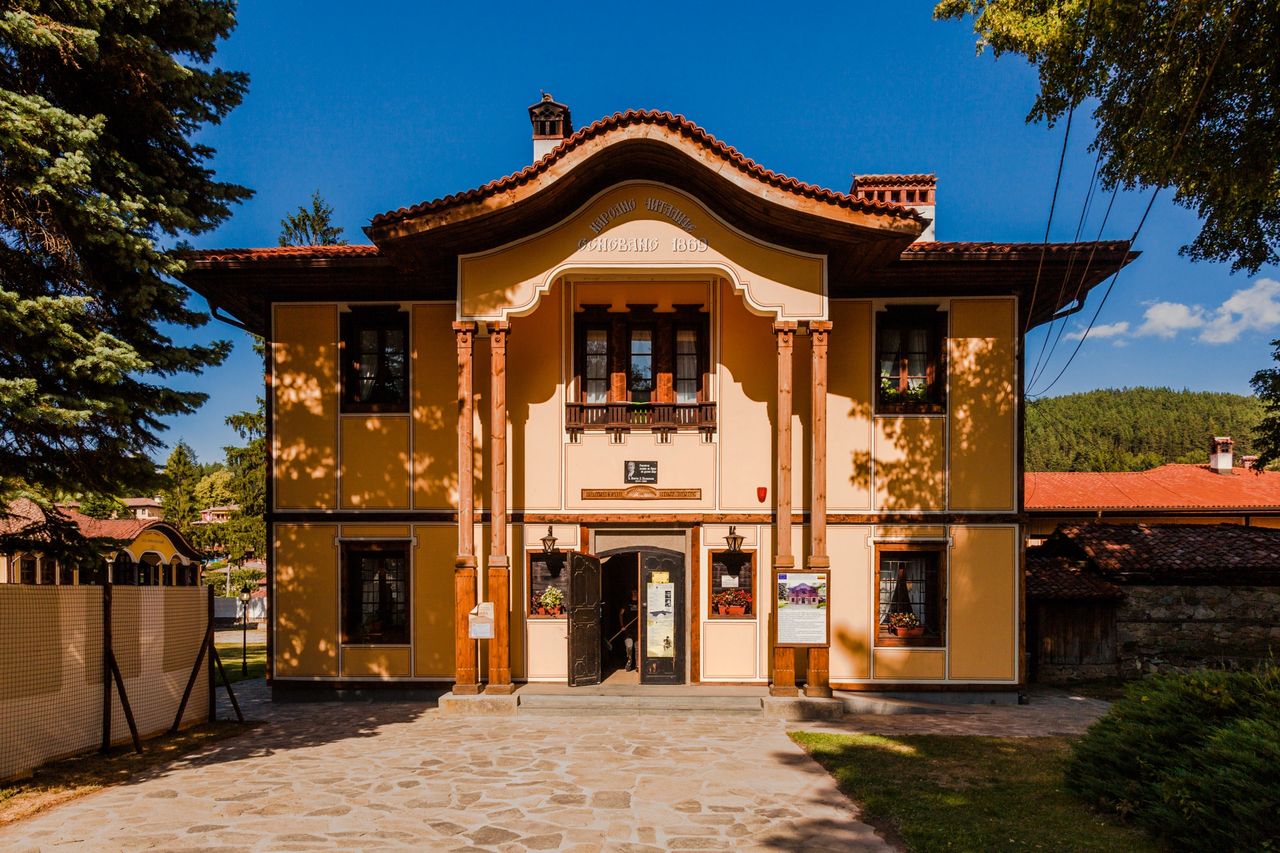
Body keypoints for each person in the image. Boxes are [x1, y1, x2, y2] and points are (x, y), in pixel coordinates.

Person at [619, 587, 639, 671]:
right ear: (631, 593)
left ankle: (638, 665)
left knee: (637, 647)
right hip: (628, 629)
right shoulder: (627, 603)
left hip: (638, 629)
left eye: (636, 592)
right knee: (629, 646)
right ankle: (629, 662)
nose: (634, 593)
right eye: (633, 592)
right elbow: (620, 614)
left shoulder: (641, 602)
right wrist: (622, 625)